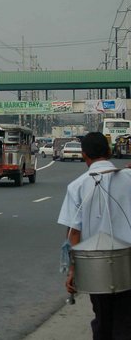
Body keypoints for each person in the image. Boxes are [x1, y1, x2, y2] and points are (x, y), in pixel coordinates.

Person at [57, 131, 131, 339]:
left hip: (96, 266)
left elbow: (74, 232)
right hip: (127, 261)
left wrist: (73, 270)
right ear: (109, 151)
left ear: (84, 155)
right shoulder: (128, 177)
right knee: (125, 320)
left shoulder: (77, 186)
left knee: (102, 318)